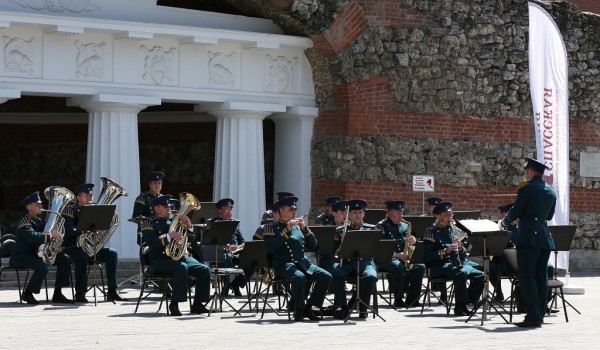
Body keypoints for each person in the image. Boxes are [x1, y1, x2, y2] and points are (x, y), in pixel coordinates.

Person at [500, 157, 557, 328]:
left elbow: (516, 210)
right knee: (541, 277)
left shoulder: (527, 188)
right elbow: (549, 216)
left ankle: (533, 316)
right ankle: (539, 313)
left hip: (528, 238)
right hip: (544, 238)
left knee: (527, 276)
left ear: (530, 171)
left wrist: (504, 222)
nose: (525, 174)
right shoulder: (551, 191)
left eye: (526, 171)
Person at [262, 195, 332, 321]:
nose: (294, 212)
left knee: (326, 276)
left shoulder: (297, 227)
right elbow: (271, 248)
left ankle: (309, 307)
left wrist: (305, 228)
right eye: (291, 209)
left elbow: (314, 245)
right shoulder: (271, 228)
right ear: (281, 211)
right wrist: (286, 232)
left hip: (302, 263)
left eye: (295, 209)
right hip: (284, 265)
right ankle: (298, 309)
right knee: (299, 277)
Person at [140, 195, 211, 316]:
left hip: (180, 257)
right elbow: (152, 243)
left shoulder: (175, 221)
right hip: (160, 261)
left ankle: (198, 304)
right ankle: (174, 303)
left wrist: (189, 226)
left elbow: (191, 241)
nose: (169, 209)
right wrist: (169, 236)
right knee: (181, 267)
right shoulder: (149, 223)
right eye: (165, 206)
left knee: (204, 269)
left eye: (169, 206)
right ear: (156, 208)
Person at [62, 183, 127, 303]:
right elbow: (69, 230)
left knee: (112, 253)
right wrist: (84, 228)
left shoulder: (94, 209)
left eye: (91, 194)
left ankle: (112, 291)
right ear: (78, 197)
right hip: (73, 248)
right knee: (82, 256)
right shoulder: (69, 210)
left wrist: (107, 220)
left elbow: (101, 228)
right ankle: (80, 293)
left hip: (90, 247)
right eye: (86, 194)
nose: (90, 196)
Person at [9, 191, 73, 304]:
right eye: (38, 204)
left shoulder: (38, 220)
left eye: (41, 204)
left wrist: (54, 248)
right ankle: (28, 293)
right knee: (43, 267)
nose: (41, 206)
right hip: (23, 256)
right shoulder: (25, 220)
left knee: (64, 258)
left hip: (35, 254)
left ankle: (58, 293)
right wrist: (50, 235)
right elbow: (32, 237)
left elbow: (44, 237)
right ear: (29, 206)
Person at [423, 201, 484, 316]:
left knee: (481, 274)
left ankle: (468, 302)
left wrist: (460, 247)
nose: (450, 218)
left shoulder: (456, 230)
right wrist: (445, 251)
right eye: (446, 215)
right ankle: (459, 307)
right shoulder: (431, 232)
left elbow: (465, 251)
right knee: (460, 273)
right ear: (438, 216)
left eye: (451, 214)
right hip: (441, 265)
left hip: (460, 262)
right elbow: (427, 256)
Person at [331, 199, 378, 319]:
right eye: (354, 213)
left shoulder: (371, 229)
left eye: (360, 212)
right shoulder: (341, 230)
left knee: (371, 277)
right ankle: (343, 307)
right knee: (336, 273)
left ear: (364, 214)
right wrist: (342, 244)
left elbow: (376, 248)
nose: (358, 215)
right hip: (348, 263)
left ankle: (363, 307)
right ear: (349, 214)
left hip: (365, 262)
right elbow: (334, 252)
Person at [376, 200, 425, 308]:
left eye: (402, 212)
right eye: (398, 212)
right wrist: (396, 255)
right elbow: (379, 247)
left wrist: (414, 240)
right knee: (398, 267)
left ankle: (412, 299)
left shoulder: (405, 225)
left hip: (404, 256)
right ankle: (398, 299)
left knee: (420, 267)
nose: (401, 215)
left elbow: (410, 240)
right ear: (389, 213)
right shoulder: (381, 226)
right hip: (388, 258)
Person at [207, 198, 252, 296]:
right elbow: (211, 241)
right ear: (219, 211)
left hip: (236, 253)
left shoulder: (235, 223)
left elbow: (242, 241)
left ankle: (236, 284)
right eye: (226, 210)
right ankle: (226, 285)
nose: (229, 212)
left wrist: (239, 247)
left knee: (252, 259)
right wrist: (226, 247)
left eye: (230, 209)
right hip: (220, 252)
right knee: (225, 257)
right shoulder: (213, 222)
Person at [132, 171, 165, 243]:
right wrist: (154, 218)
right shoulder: (142, 198)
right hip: (148, 233)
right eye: (155, 183)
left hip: (163, 233)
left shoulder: (164, 198)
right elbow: (135, 217)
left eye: (159, 183)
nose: (157, 185)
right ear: (149, 184)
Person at [318, 200, 347, 273]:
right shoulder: (328, 228)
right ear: (334, 213)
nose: (345, 215)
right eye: (342, 213)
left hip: (346, 259)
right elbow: (325, 250)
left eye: (346, 212)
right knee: (336, 270)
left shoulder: (350, 227)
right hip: (331, 258)